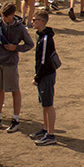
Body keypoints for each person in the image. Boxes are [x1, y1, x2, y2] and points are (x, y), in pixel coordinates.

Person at [0, 3, 34, 133]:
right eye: (2, 15)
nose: (3, 18)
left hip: (10, 64)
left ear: (12, 15)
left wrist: (16, 48)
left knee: (14, 90)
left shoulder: (20, 28)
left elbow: (30, 44)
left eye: (6, 16)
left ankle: (16, 119)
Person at [30, 10, 60, 146]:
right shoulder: (42, 36)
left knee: (48, 104)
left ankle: (51, 134)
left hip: (46, 75)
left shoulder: (46, 38)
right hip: (44, 74)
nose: (32, 21)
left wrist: (37, 77)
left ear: (42, 22)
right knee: (44, 103)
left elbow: (43, 61)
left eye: (35, 20)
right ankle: (45, 129)